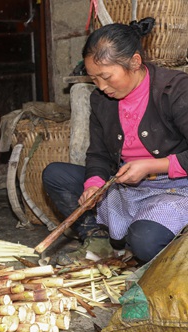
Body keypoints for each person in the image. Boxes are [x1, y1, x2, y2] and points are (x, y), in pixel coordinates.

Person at [42, 17, 188, 265]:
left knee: (145, 242)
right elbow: (98, 153)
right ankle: (99, 242)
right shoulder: (101, 100)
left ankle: (147, 237)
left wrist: (152, 166)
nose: (101, 86)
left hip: (176, 188)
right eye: (94, 79)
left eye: (106, 76)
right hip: (125, 185)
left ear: (135, 62)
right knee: (56, 174)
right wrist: (94, 183)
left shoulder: (175, 90)